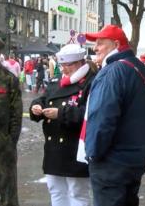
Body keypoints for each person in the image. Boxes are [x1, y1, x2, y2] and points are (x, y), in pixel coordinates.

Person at [81, 24, 145, 206]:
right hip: (134, 159)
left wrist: (93, 154)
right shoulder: (136, 67)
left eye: (100, 43)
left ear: (115, 44)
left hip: (112, 163)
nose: (95, 48)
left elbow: (102, 119)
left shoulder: (112, 72)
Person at [29, 44, 96, 206]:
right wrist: (36, 106)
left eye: (69, 65)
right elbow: (45, 98)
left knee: (77, 193)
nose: (65, 69)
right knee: (56, 191)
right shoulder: (57, 81)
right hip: (54, 150)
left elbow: (91, 114)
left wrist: (61, 114)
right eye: (62, 65)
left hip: (75, 147)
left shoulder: (91, 82)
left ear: (80, 62)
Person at [0, 33, 22, 206]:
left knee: (8, 193)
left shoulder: (9, 80)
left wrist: (10, 142)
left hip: (3, 145)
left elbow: (16, 115)